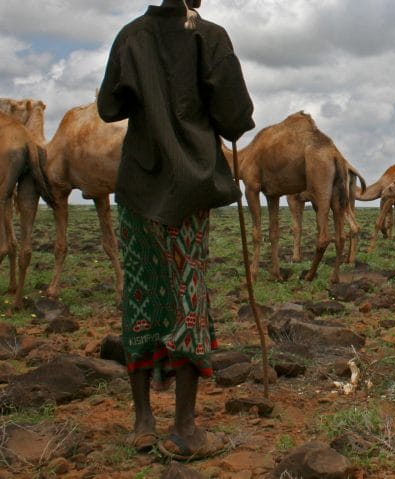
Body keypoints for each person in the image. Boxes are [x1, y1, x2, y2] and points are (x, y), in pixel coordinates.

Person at [97, 0, 254, 460]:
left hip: (138, 188)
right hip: (187, 190)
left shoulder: (131, 35)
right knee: (189, 297)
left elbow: (110, 106)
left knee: (141, 293)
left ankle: (143, 421)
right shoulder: (209, 37)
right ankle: (184, 428)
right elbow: (236, 118)